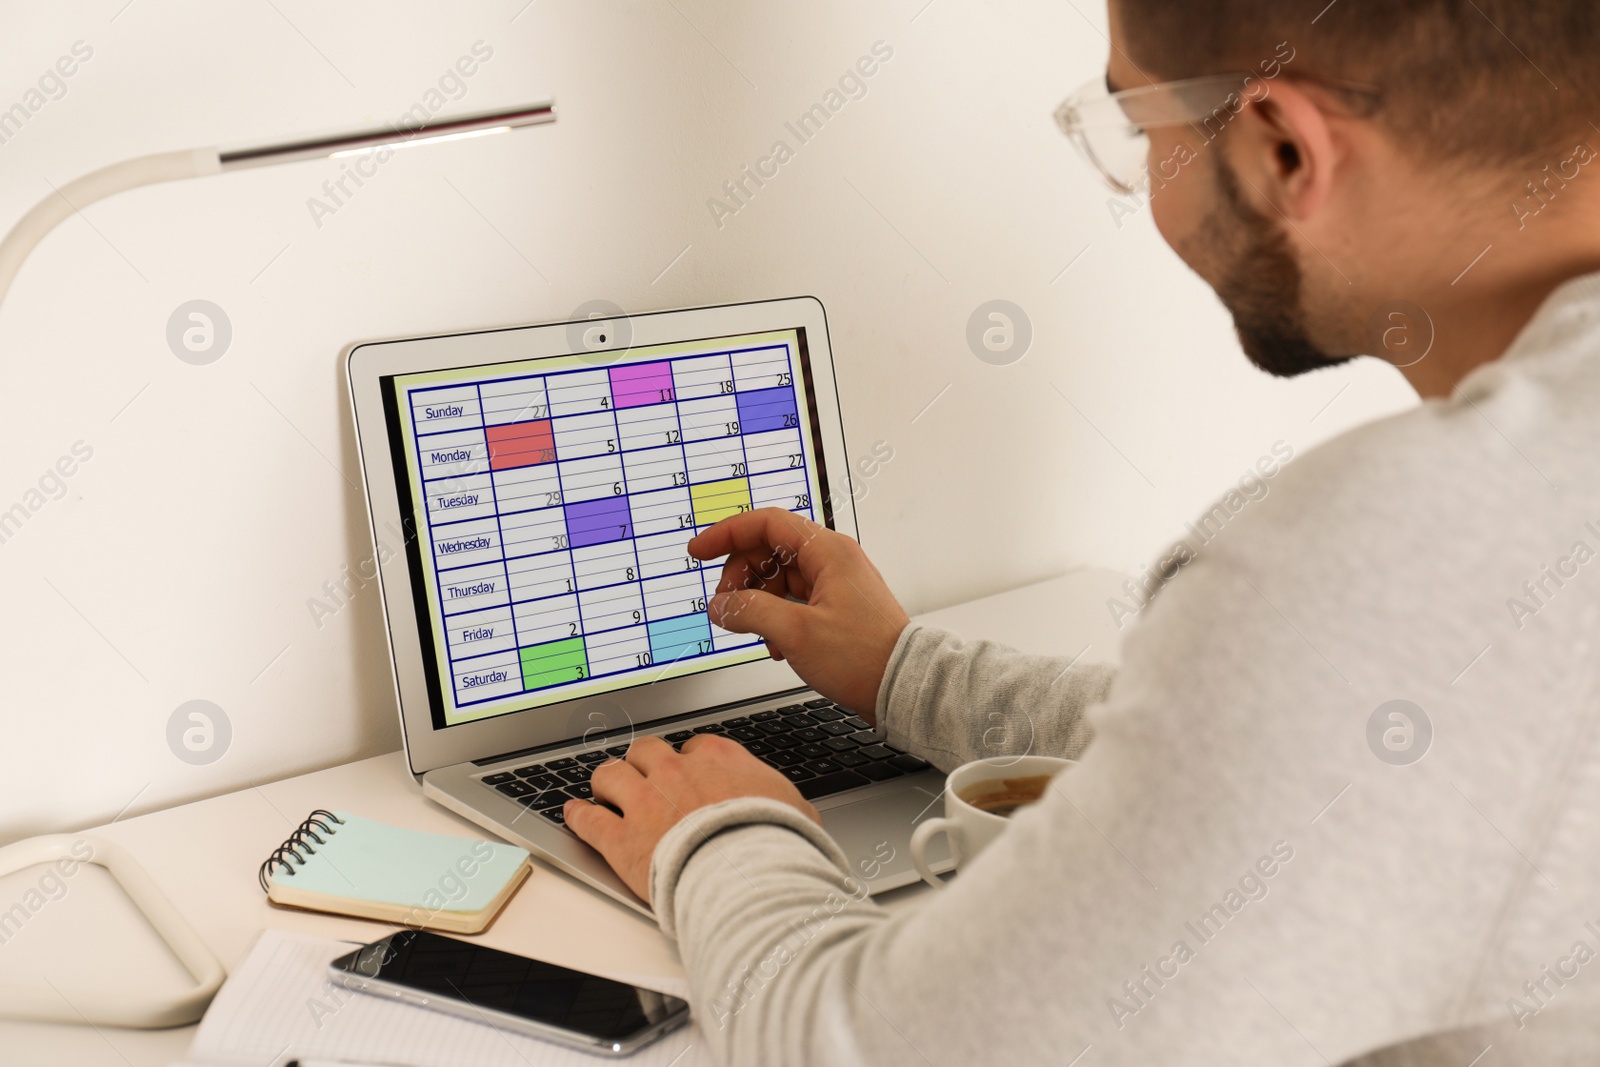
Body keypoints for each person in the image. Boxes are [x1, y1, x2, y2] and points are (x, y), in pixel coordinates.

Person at [564, 1, 1600, 1062]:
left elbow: (871, 1046)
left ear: (1285, 147)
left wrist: (716, 834)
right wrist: (905, 670)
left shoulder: (1382, 563)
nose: (1137, 178)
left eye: (1130, 125)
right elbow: (1299, 747)